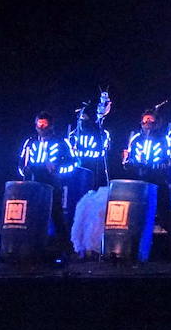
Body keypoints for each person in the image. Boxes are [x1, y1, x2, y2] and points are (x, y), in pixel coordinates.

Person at [123, 108, 171, 256]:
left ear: (156, 122)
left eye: (150, 120)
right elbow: (129, 161)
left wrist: (153, 164)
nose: (147, 123)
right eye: (144, 120)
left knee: (165, 214)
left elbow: (167, 157)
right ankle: (135, 250)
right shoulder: (136, 139)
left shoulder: (163, 138)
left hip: (157, 180)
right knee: (137, 214)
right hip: (140, 181)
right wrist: (128, 162)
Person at [17, 111, 76, 250]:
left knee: (56, 216)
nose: (42, 127)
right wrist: (24, 170)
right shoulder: (30, 142)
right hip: (32, 185)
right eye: (39, 124)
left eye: (45, 124)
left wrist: (57, 169)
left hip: (52, 185)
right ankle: (31, 247)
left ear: (51, 125)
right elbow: (21, 163)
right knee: (31, 216)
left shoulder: (61, 142)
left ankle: (64, 248)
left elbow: (74, 163)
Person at [67, 95, 112, 188]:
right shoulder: (73, 135)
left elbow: (105, 154)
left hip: (96, 174)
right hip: (77, 174)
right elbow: (70, 155)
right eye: (81, 118)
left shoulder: (102, 134)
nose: (82, 120)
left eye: (85, 118)